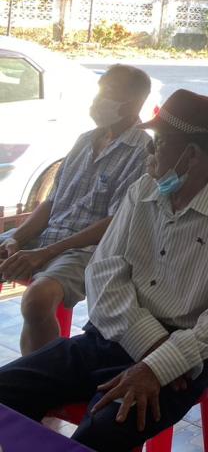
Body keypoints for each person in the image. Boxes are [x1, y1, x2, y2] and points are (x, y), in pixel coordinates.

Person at [0, 90, 208, 451]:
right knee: (6, 390)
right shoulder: (143, 190)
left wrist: (160, 363)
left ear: (191, 154)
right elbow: (103, 272)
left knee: (102, 434)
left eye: (159, 143)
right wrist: (152, 344)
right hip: (111, 336)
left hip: (184, 359)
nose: (149, 152)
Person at [0, 64, 152, 354]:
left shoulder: (142, 152)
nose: (97, 101)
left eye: (108, 93)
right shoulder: (85, 140)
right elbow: (51, 202)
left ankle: (41, 376)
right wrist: (16, 239)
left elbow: (114, 223)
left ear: (132, 103)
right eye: (99, 91)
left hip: (88, 250)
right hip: (47, 236)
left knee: (37, 300)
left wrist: (45, 253)